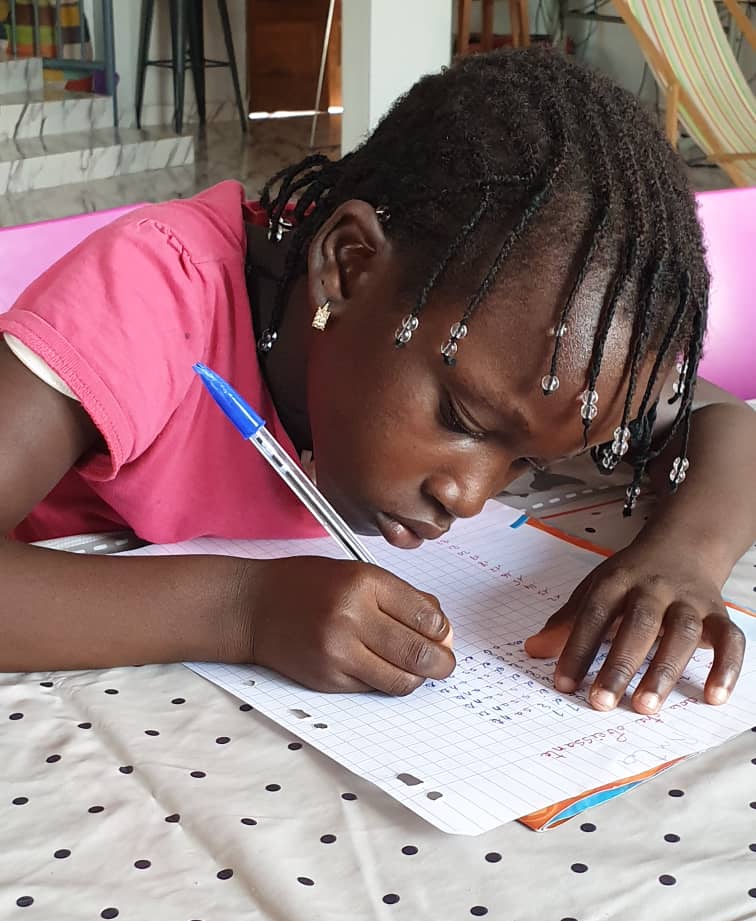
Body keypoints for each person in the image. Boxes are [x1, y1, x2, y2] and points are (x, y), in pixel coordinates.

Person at [1, 48, 754, 715]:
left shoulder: (528, 369)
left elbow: (729, 424)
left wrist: (685, 555)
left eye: (527, 462)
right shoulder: (155, 292)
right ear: (350, 267)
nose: (470, 496)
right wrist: (245, 611)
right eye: (462, 420)